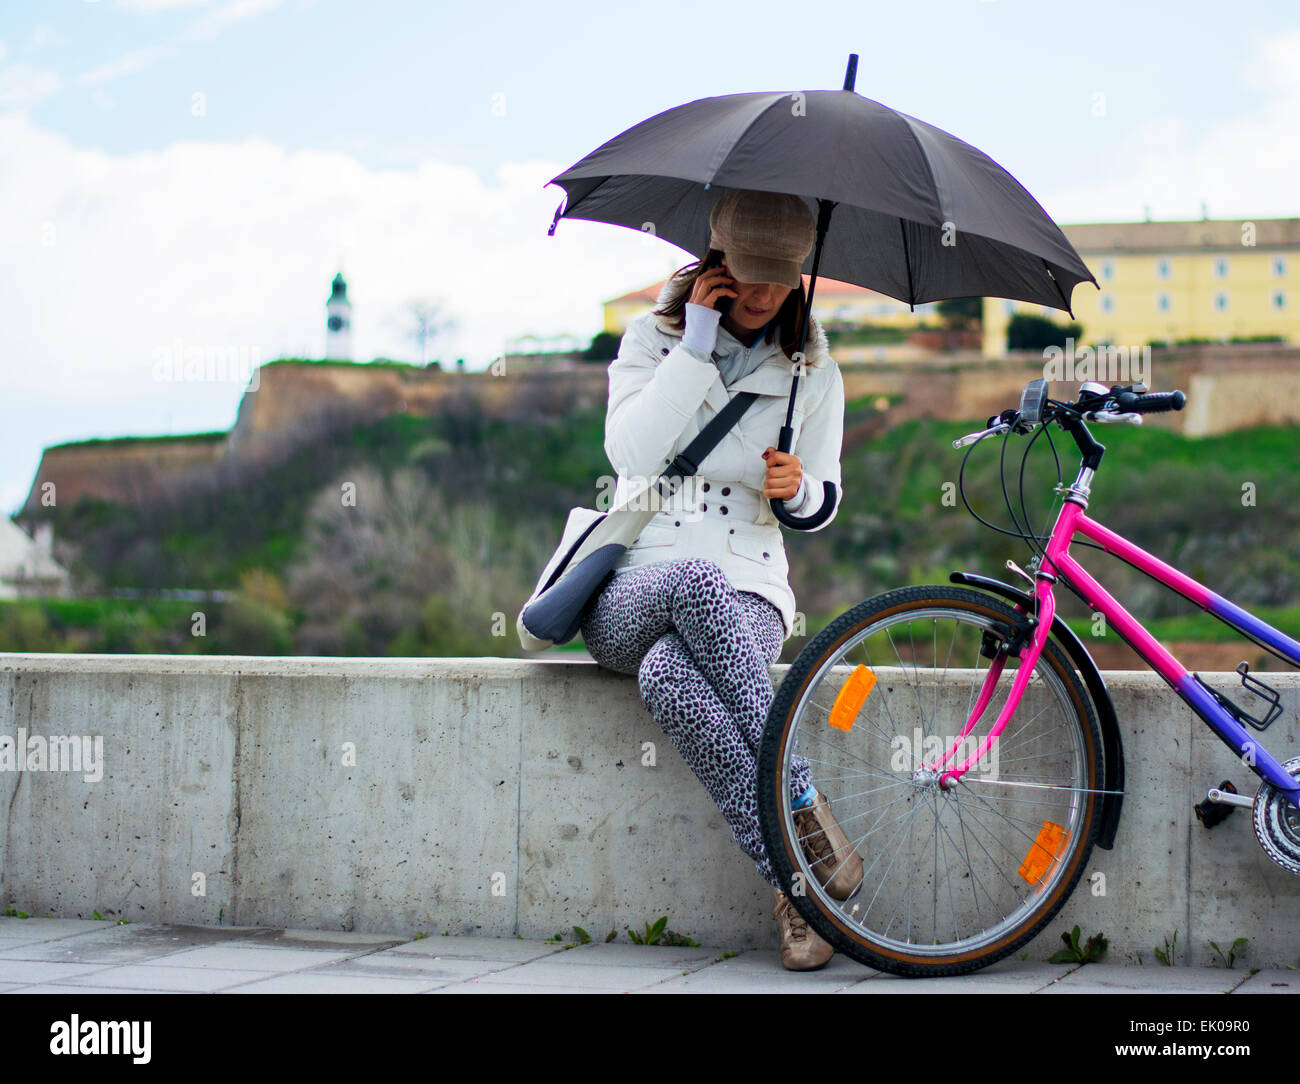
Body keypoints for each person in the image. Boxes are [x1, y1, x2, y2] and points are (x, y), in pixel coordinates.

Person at [578, 188, 862, 970]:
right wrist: (694, 346)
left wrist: (797, 490)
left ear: (800, 275)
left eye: (781, 278)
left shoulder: (812, 370)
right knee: (687, 585)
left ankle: (792, 891)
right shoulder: (651, 340)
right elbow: (630, 457)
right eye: (750, 271)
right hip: (635, 583)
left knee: (672, 677)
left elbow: (826, 497)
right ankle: (802, 800)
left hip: (751, 585)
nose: (765, 293)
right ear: (717, 261)